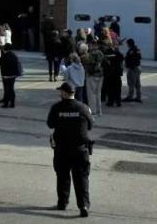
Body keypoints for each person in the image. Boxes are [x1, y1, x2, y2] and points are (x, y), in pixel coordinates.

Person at [47, 82, 93, 218]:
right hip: (80, 150)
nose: (60, 93)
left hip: (62, 149)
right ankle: (83, 205)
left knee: (62, 176)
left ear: (64, 93)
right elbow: (90, 125)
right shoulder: (83, 108)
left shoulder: (56, 107)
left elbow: (50, 124)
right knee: (81, 178)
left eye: (61, 91)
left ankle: (62, 202)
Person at [79, 43, 104, 116]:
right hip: (100, 75)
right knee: (98, 94)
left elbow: (90, 65)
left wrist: (90, 72)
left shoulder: (90, 54)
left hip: (92, 75)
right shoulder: (100, 53)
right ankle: (99, 111)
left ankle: (93, 111)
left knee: (91, 94)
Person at [101, 40, 124, 107]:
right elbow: (121, 59)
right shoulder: (118, 53)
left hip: (111, 73)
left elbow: (105, 62)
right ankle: (117, 101)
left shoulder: (108, 52)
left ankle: (112, 101)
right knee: (116, 88)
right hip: (115, 73)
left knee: (112, 88)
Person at [0, 43, 21, 108]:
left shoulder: (5, 56)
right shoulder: (14, 55)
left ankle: (6, 103)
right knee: (11, 89)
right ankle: (12, 103)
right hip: (13, 75)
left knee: (7, 90)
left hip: (6, 75)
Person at [124, 39, 142, 103]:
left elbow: (130, 59)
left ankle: (130, 96)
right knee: (137, 83)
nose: (126, 45)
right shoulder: (137, 49)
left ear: (129, 44)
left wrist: (129, 66)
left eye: (127, 44)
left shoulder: (131, 50)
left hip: (132, 68)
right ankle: (138, 97)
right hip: (138, 67)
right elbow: (139, 57)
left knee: (131, 83)